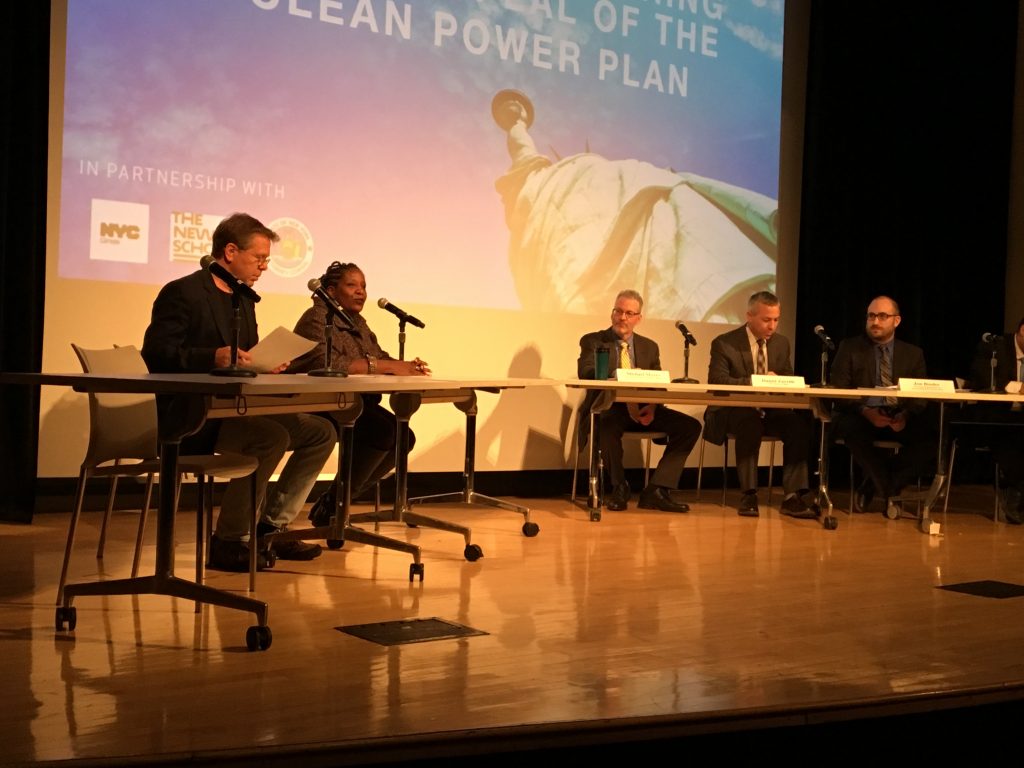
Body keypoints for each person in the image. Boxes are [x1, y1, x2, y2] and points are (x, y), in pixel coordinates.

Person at [142, 212, 335, 571]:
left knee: (321, 431)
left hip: (237, 408)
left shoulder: (244, 299)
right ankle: (229, 541)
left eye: (267, 260)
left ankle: (270, 527)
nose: (264, 267)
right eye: (259, 258)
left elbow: (243, 354)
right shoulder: (182, 292)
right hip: (194, 417)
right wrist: (209, 356)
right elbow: (156, 354)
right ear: (230, 251)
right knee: (271, 437)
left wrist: (264, 364)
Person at [492, 88, 778, 325]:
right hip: (637, 201)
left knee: (686, 262)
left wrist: (516, 122)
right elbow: (523, 151)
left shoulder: (552, 181)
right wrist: (516, 123)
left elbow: (522, 151)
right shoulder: (550, 183)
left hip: (640, 202)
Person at [291, 261, 429, 525]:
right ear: (331, 291)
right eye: (351, 285)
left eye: (363, 286)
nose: (361, 292)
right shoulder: (317, 317)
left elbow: (376, 356)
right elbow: (327, 365)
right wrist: (387, 366)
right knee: (383, 431)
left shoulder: (357, 322)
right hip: (320, 403)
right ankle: (333, 505)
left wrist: (407, 367)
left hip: (352, 402)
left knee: (404, 437)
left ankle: (335, 501)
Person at [577, 289, 701, 512]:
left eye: (629, 313)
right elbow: (585, 372)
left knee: (690, 426)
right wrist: (617, 376)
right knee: (605, 425)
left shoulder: (649, 346)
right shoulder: (593, 341)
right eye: (618, 311)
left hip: (645, 408)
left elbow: (657, 383)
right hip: (610, 407)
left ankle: (657, 489)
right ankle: (619, 486)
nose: (622, 318)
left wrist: (652, 407)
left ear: (638, 319)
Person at [703, 291, 816, 518]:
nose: (772, 326)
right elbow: (717, 382)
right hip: (734, 410)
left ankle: (792, 496)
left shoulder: (781, 344)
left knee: (797, 425)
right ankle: (749, 493)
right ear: (749, 316)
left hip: (770, 409)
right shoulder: (725, 343)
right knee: (749, 422)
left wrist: (780, 382)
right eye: (766, 320)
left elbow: (787, 379)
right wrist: (757, 381)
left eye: (776, 319)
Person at [828, 295, 936, 512]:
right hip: (861, 415)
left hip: (898, 415)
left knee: (935, 436)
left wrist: (905, 415)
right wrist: (866, 411)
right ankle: (889, 490)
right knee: (850, 429)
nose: (875, 321)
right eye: (871, 316)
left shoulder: (913, 354)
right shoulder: (849, 348)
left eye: (882, 316)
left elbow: (920, 396)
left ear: (896, 321)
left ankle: (874, 481)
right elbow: (837, 392)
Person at [963, 317, 1024, 523]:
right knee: (1009, 437)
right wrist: (1018, 388)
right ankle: (1014, 492)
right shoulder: (994, 346)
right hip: (995, 418)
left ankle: (1015, 489)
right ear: (1022, 330)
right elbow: (980, 378)